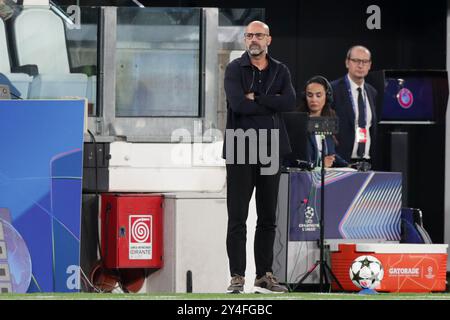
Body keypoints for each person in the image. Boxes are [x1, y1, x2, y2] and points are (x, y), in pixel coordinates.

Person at [223, 20, 296, 293]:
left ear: (268, 40)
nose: (253, 39)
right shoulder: (234, 68)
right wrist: (270, 100)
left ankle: (264, 275)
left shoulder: (280, 70)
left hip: (271, 149)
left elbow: (289, 101)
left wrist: (258, 98)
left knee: (267, 217)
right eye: (249, 35)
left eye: (259, 35)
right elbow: (238, 103)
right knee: (238, 217)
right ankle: (237, 277)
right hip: (241, 149)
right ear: (245, 40)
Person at [331, 45, 377, 165]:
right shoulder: (333, 89)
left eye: (365, 61)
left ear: (370, 65)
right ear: (347, 62)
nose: (360, 65)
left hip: (366, 162)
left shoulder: (372, 92)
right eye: (356, 60)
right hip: (341, 161)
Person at [298, 75, 348, 168]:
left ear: (327, 96)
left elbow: (331, 155)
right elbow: (295, 159)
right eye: (310, 95)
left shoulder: (328, 121)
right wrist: (320, 163)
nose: (314, 99)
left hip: (326, 177)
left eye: (318, 95)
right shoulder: (298, 122)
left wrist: (350, 166)